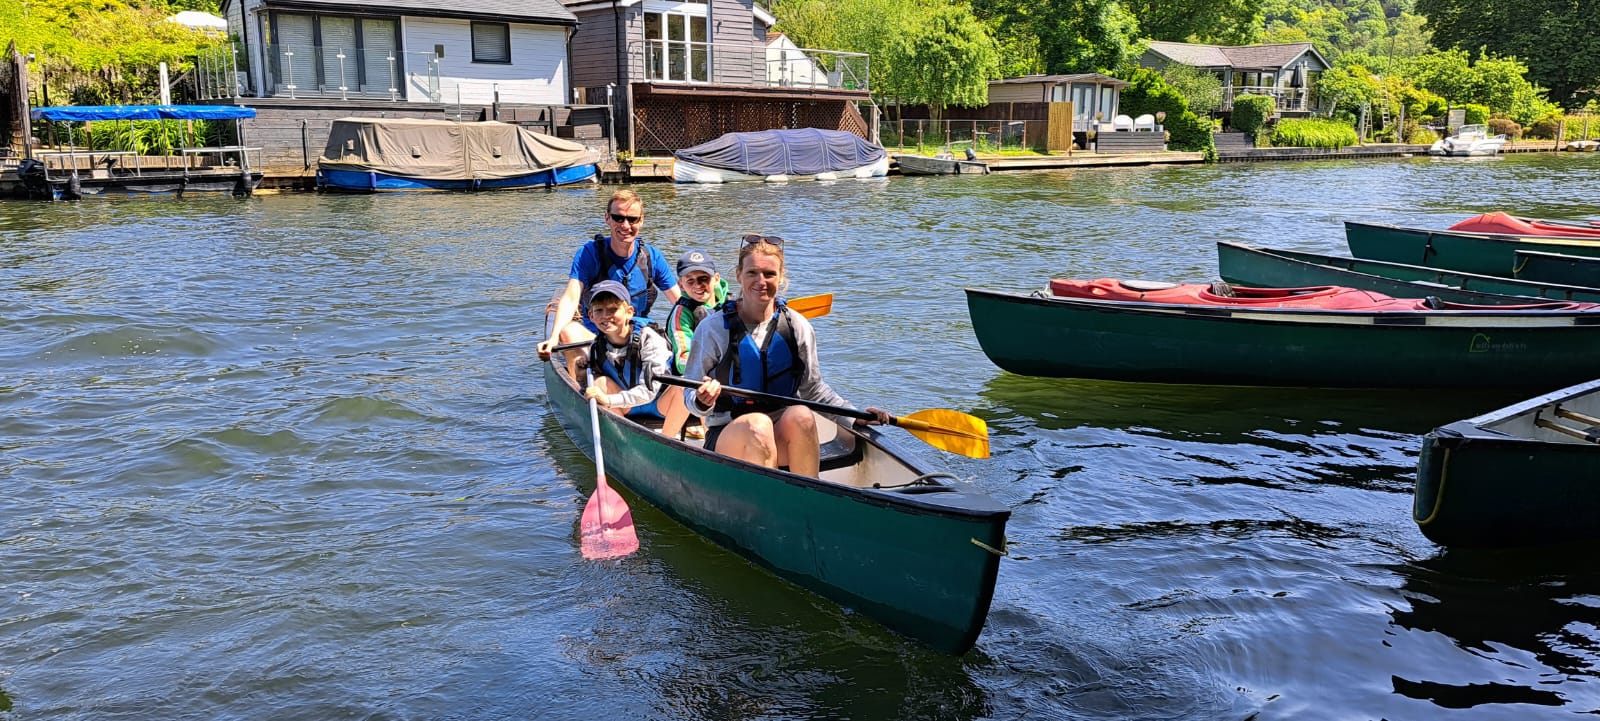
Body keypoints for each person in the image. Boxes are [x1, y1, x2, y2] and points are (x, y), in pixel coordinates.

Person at [682, 235, 890, 477]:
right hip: (729, 436)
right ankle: (766, 502)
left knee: (801, 414)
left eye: (769, 274)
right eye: (752, 273)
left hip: (779, 433)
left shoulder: (797, 326)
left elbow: (814, 390)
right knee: (757, 424)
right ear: (739, 275)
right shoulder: (713, 328)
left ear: (781, 278)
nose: (761, 281)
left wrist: (855, 417)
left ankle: (809, 496)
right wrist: (701, 400)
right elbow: (689, 394)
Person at [538, 189, 680, 373]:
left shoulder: (652, 257)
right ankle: (584, 381)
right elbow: (572, 297)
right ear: (607, 218)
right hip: (597, 336)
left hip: (639, 335)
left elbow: (679, 302)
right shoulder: (590, 253)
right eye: (618, 218)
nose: (625, 225)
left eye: (633, 219)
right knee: (569, 332)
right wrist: (554, 337)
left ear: (641, 220)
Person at [580, 280, 680, 425]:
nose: (605, 316)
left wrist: (608, 400)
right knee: (599, 383)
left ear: (629, 312)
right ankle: (620, 434)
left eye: (613, 309)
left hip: (661, 404)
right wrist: (581, 367)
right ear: (591, 315)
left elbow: (649, 391)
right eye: (599, 310)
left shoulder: (650, 339)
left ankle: (669, 439)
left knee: (683, 387)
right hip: (626, 407)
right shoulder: (597, 346)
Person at [660, 249, 728, 440]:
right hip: (678, 393)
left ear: (716, 278)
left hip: (723, 384)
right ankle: (666, 443)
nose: (698, 286)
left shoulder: (732, 306)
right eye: (690, 281)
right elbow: (684, 362)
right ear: (681, 284)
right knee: (694, 384)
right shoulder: (682, 313)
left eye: (704, 279)